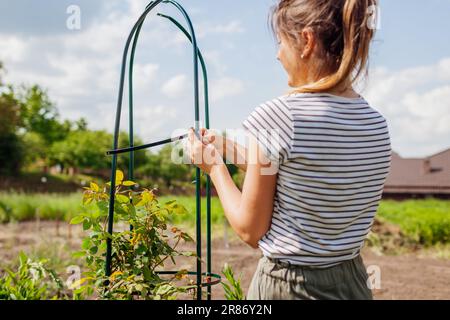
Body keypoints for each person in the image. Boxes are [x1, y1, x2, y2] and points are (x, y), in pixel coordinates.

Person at [185, 0, 391, 300]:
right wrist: (229, 150)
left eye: (281, 42)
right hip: (353, 281)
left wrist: (215, 168)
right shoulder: (375, 123)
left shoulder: (278, 115)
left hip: (290, 286)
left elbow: (249, 229)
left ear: (306, 41)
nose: (278, 55)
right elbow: (303, 174)